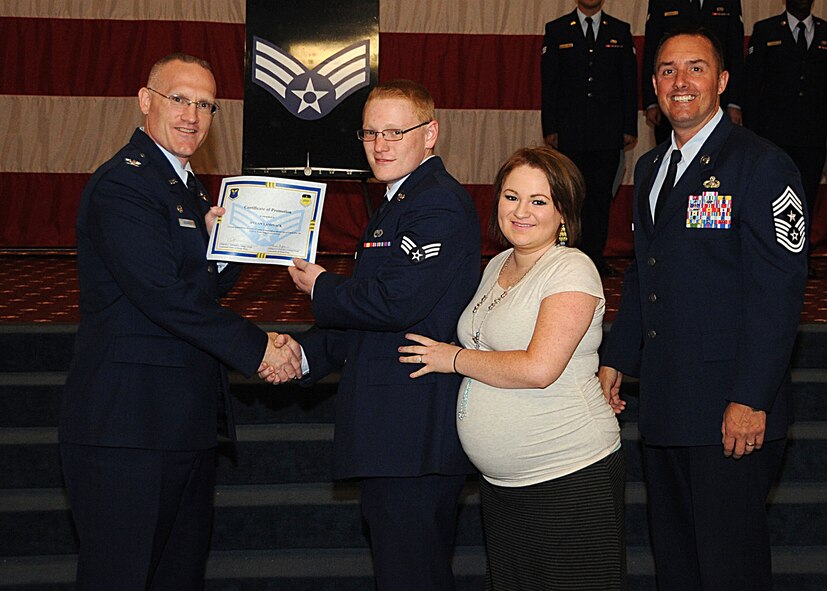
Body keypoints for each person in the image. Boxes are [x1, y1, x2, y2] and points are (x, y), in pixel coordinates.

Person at [59, 53, 301, 590]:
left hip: (180, 424)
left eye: (205, 104)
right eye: (179, 99)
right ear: (146, 101)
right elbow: (162, 296)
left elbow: (194, 286)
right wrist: (258, 346)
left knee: (177, 576)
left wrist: (229, 246)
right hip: (128, 429)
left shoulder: (185, 187)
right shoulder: (125, 184)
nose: (192, 114)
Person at [599, 27, 808, 590]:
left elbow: (779, 293)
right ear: (654, 87)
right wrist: (618, 356)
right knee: (679, 567)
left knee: (728, 570)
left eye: (695, 68)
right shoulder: (648, 171)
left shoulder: (761, 165)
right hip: (667, 406)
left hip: (730, 413)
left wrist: (749, 398)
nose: (680, 82)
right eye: (667, 70)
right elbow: (648, 271)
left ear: (721, 81)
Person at [398, 146, 625, 590]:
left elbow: (539, 368)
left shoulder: (571, 268)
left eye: (538, 201)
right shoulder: (498, 264)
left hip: (568, 475)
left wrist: (453, 359)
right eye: (511, 196)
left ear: (563, 212)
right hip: (504, 483)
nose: (521, 211)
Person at [284, 80, 481, 590]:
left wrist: (322, 287)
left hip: (414, 431)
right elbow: (372, 322)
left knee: (412, 573)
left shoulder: (437, 203)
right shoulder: (400, 201)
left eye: (396, 131)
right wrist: (301, 354)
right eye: (371, 132)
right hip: (395, 431)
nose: (381, 144)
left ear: (430, 133)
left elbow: (396, 302)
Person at [541, 0, 638, 277]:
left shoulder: (620, 30)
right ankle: (567, 256)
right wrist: (550, 127)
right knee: (570, 197)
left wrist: (629, 125)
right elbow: (549, 83)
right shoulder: (557, 30)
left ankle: (595, 257)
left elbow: (628, 82)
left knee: (599, 198)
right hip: (569, 133)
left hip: (607, 133)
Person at [745, 0, 826, 276]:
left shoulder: (825, 32)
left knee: (807, 196)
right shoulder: (765, 30)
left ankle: (801, 256)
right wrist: (752, 135)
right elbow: (753, 84)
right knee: (771, 197)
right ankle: (769, 254)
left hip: (814, 135)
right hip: (773, 136)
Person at [642, 0, 744, 144]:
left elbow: (736, 54)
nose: (680, 82)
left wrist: (735, 103)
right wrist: (651, 102)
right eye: (670, 71)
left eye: (696, 69)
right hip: (670, 113)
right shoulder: (647, 165)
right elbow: (651, 53)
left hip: (719, 98)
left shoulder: (762, 161)